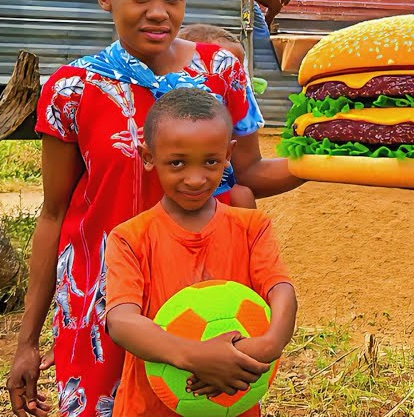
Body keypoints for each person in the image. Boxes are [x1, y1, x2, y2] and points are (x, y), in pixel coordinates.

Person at [7, 0, 302, 417]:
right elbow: (55, 214)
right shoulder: (72, 89)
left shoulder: (221, 72)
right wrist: (27, 341)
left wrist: (328, 161)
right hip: (104, 305)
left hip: (202, 300)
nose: (159, 13)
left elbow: (247, 174)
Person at [104, 88, 297, 416]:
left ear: (228, 154)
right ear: (148, 156)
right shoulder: (130, 238)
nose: (195, 179)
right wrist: (195, 357)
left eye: (210, 162)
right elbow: (121, 321)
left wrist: (269, 343)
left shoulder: (252, 227)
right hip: (149, 408)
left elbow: (281, 289)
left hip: (233, 403)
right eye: (177, 163)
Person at [175, 24, 256, 210]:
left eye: (238, 69)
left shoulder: (238, 109)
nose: (234, 79)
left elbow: (249, 167)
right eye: (224, 66)